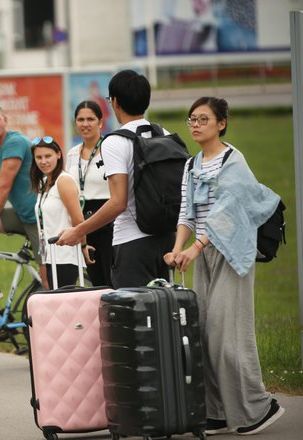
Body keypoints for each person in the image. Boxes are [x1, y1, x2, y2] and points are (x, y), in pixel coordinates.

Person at [164, 97, 284, 436]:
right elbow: (186, 214)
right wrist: (176, 251)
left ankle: (260, 406)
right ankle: (215, 412)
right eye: (191, 119)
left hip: (232, 253)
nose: (196, 124)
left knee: (225, 335)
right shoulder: (191, 165)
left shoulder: (234, 161)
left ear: (222, 123)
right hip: (198, 255)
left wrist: (194, 247)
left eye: (203, 118)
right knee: (200, 332)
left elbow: (226, 215)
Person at [57, 69, 174, 288]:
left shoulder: (114, 142)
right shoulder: (163, 134)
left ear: (116, 102)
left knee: (130, 312)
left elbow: (118, 201)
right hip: (165, 236)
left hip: (132, 241)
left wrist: (78, 231)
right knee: (163, 305)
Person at [0, 103, 47, 296]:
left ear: (5, 121)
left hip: (38, 218)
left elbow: (3, 189)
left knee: (49, 281)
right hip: (22, 216)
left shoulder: (15, 142)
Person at [65, 100, 113, 287]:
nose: (85, 124)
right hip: (84, 224)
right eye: (80, 119)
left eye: (90, 119)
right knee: (96, 284)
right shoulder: (72, 154)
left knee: (112, 282)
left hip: (109, 221)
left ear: (101, 122)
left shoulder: (110, 150)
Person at [30, 136, 84, 288]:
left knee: (65, 306)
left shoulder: (63, 180)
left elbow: (78, 219)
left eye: (48, 156)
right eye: (39, 157)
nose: (43, 161)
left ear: (58, 155)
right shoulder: (44, 182)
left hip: (65, 257)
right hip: (50, 255)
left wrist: (84, 246)